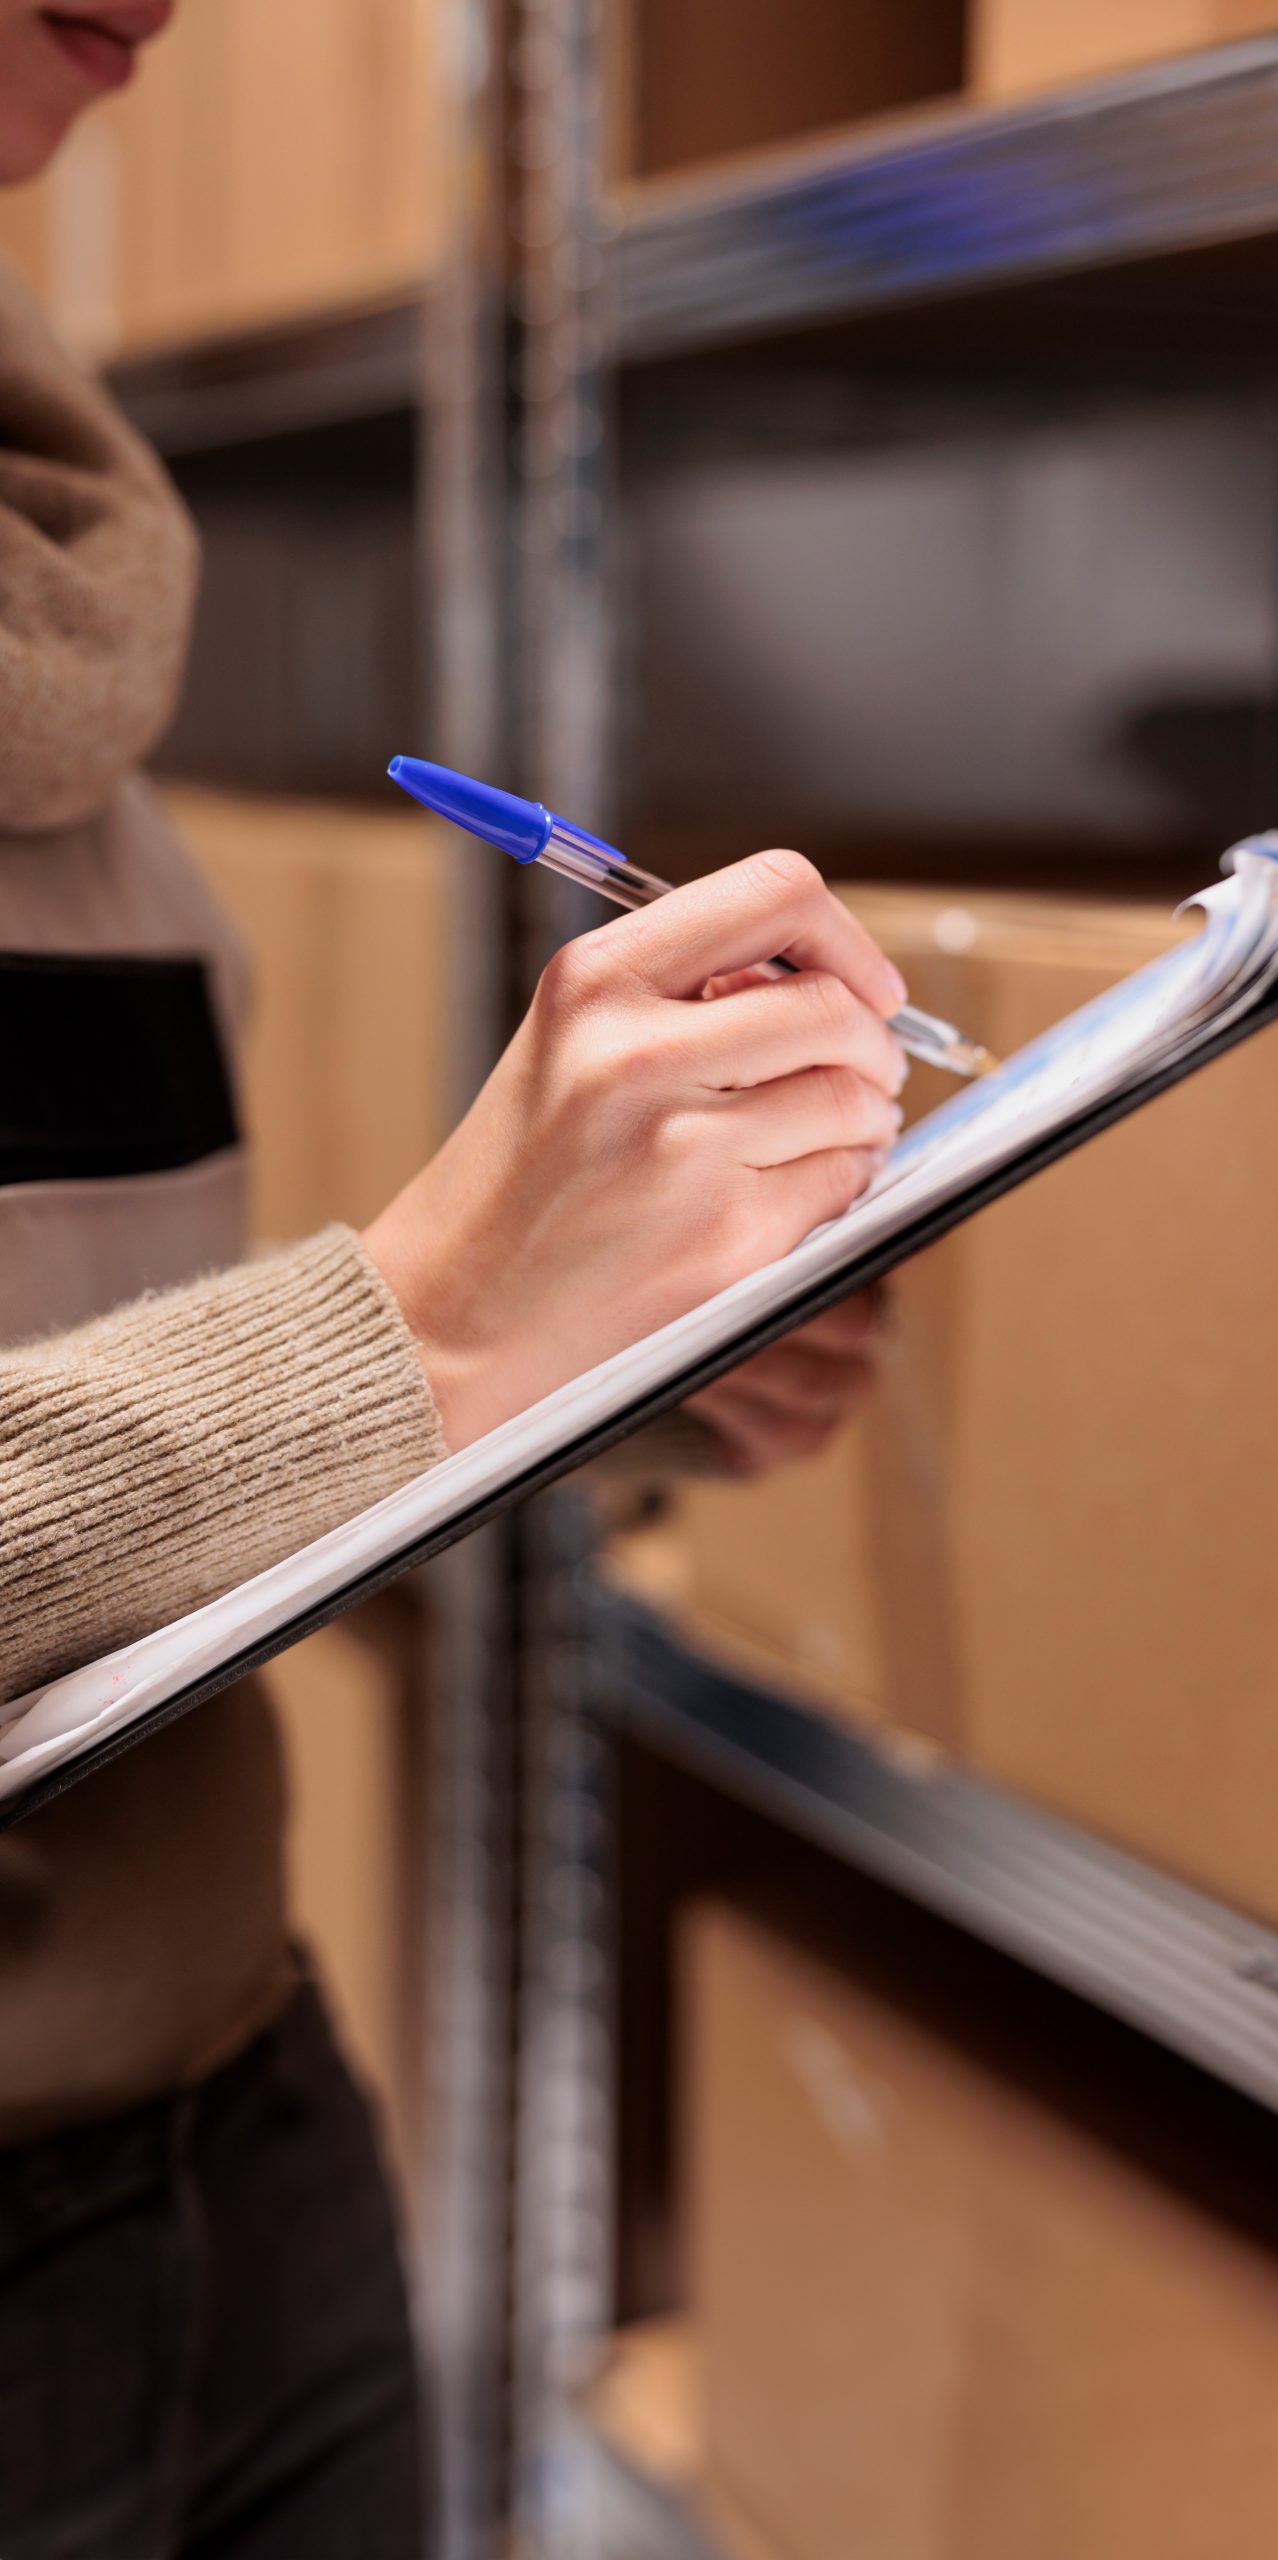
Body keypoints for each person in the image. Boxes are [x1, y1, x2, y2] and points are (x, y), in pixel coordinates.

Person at [0, 4, 907, 2555]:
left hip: (242, 2129)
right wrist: (418, 1326)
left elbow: (83, 1334)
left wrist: (588, 1341)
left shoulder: (57, 565)